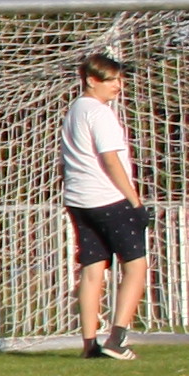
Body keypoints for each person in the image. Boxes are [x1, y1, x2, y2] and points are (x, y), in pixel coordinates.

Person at [63, 52, 148, 359]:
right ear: (91, 81)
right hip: (108, 198)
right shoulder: (99, 113)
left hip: (78, 200)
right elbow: (110, 159)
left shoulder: (75, 110)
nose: (118, 86)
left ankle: (89, 345)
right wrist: (135, 201)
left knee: (92, 268)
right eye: (111, 80)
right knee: (136, 265)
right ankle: (116, 339)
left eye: (120, 79)